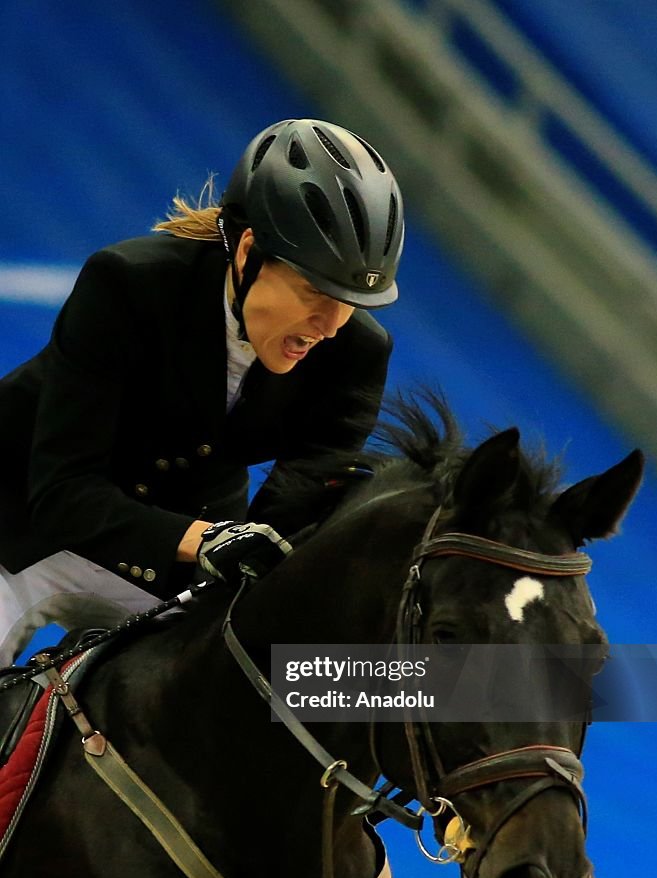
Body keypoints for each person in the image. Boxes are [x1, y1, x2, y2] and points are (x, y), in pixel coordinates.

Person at [0, 118, 404, 666]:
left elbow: (287, 522)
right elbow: (63, 493)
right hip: (21, 517)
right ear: (248, 250)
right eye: (314, 289)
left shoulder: (357, 353)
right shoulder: (127, 284)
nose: (331, 324)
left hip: (175, 552)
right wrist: (207, 541)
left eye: (352, 300)